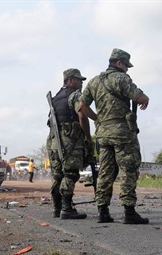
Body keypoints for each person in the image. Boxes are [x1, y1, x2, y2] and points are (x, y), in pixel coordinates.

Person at [80, 48, 150, 224]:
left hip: (103, 134)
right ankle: (129, 211)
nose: (127, 69)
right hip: (122, 134)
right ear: (118, 63)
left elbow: (82, 105)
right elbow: (139, 98)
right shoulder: (121, 78)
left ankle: (103, 212)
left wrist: (97, 119)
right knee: (129, 169)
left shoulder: (94, 81)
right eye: (126, 65)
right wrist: (146, 98)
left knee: (105, 171)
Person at [47, 68, 93, 219]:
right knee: (70, 173)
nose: (81, 83)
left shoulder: (55, 98)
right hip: (70, 141)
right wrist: (88, 137)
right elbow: (82, 116)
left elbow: (50, 122)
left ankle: (56, 208)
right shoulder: (75, 95)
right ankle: (66, 209)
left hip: (54, 142)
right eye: (79, 80)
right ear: (71, 80)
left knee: (58, 174)